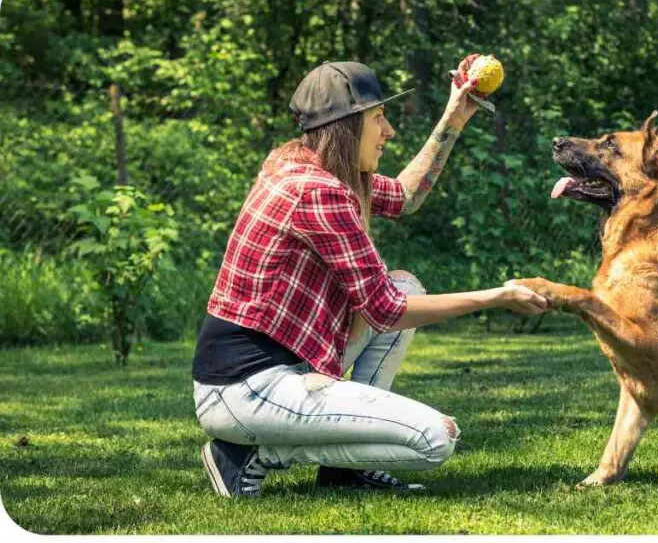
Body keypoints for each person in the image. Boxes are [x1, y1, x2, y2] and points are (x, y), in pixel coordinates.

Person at [192, 59, 547, 497]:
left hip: (274, 368)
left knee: (404, 284)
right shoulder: (317, 191)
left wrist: (456, 113)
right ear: (346, 126)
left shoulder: (307, 166)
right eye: (378, 118)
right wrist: (495, 296)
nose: (389, 131)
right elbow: (385, 311)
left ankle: (345, 470)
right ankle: (250, 456)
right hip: (245, 389)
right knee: (435, 438)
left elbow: (405, 197)